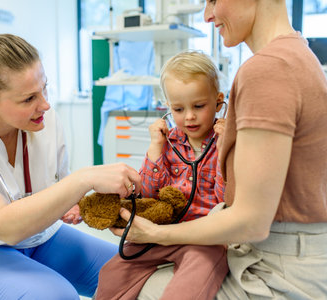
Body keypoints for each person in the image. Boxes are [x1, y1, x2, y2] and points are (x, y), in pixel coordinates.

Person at [110, 1, 327, 299]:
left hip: (277, 274)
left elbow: (249, 222)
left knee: (137, 291)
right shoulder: (297, 54)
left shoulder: (268, 69)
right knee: (115, 274)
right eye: (178, 108)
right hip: (289, 258)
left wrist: (157, 234)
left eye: (214, 0)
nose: (207, 14)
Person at [0, 26, 142, 300]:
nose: (45, 105)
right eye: (29, 98)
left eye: (44, 89)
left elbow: (56, 188)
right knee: (55, 296)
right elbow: (2, 225)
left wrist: (72, 203)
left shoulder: (43, 118)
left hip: (36, 237)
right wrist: (83, 179)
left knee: (136, 271)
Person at [95, 50, 228, 300]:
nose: (189, 116)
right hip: (163, 232)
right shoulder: (170, 141)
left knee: (191, 280)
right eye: (178, 109)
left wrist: (224, 154)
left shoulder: (226, 141)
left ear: (219, 102)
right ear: (168, 107)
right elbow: (149, 193)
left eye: (199, 106)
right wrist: (155, 149)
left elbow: (227, 201)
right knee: (112, 274)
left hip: (205, 238)